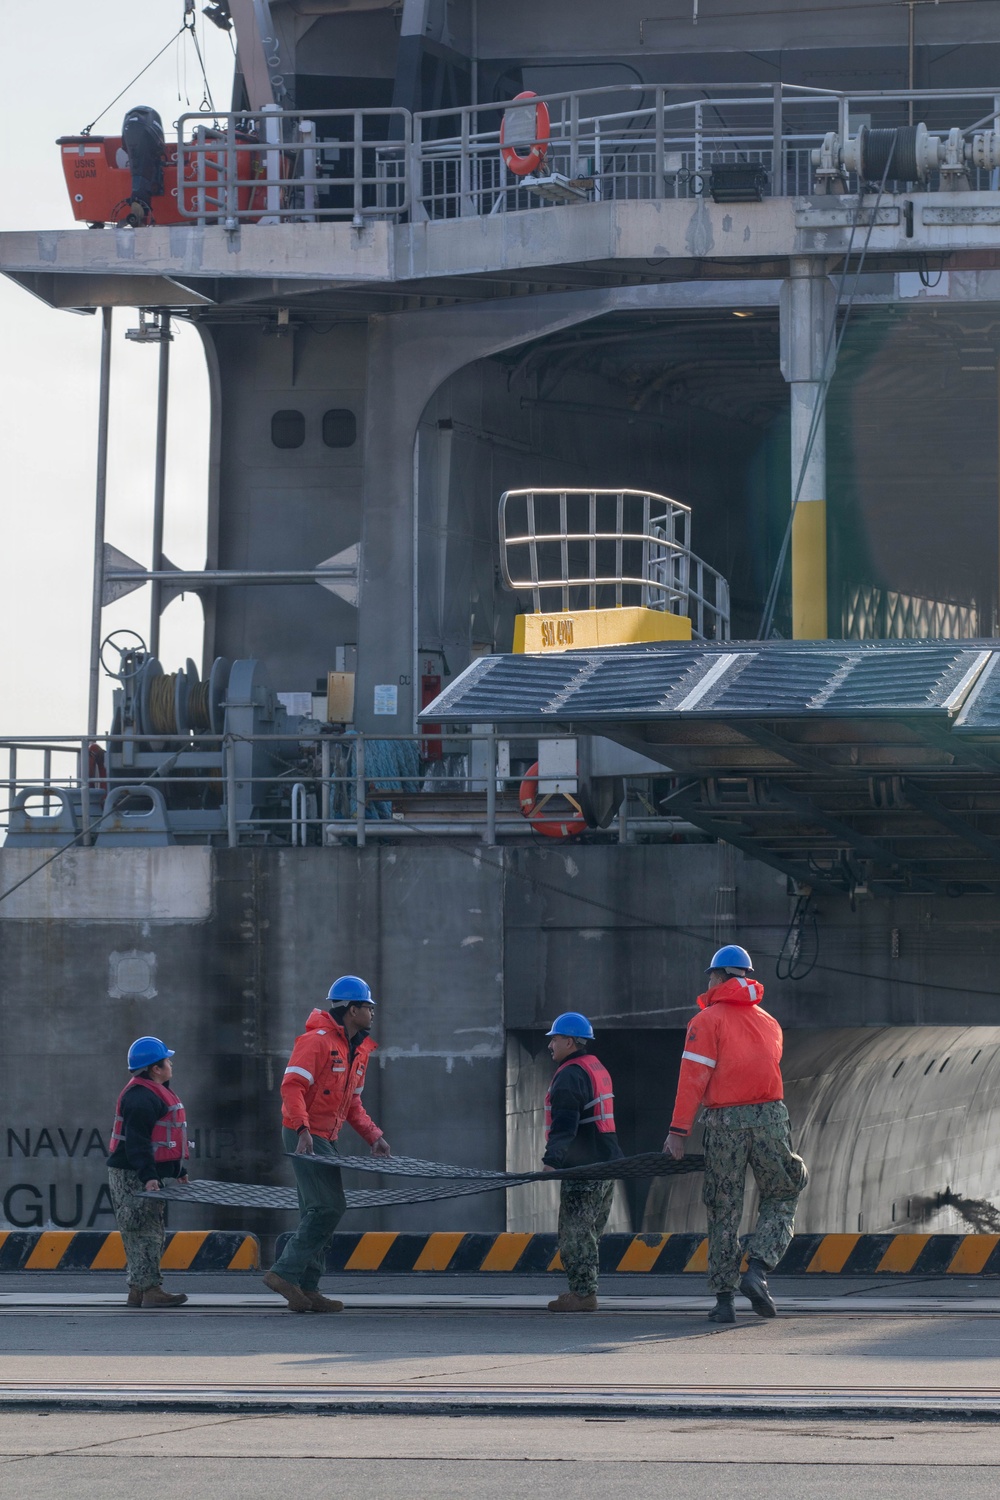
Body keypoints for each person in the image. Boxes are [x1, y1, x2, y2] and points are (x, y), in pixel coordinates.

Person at [662, 945, 808, 1324]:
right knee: (782, 1193)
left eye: (711, 975)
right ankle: (758, 1270)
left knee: (723, 1209)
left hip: (724, 1122)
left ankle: (724, 1302)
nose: (708, 981)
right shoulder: (770, 1023)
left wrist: (678, 1131)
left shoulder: (706, 1021)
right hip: (770, 1118)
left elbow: (692, 1079)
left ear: (721, 976)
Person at [264, 974, 391, 1312]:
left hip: (323, 1136)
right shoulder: (316, 1042)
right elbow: (291, 1088)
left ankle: (308, 1288)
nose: (372, 1012)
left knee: (316, 1210)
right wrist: (302, 1130)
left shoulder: (357, 1050)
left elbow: (352, 1104)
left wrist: (372, 1135)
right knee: (329, 1207)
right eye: (368, 1006)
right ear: (352, 1010)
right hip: (304, 1133)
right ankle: (284, 1273)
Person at [542, 1011, 623, 1313]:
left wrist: (551, 1162)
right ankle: (584, 1289)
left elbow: (565, 1124)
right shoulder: (594, 1067)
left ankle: (583, 1293)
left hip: (583, 1168)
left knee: (575, 1233)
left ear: (570, 1041)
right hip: (605, 1165)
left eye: (555, 1039)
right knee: (590, 1232)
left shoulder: (570, 1075)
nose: (550, 1044)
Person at [107, 1036, 190, 1309]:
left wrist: (178, 1170)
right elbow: (138, 1143)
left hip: (144, 1172)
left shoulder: (151, 1093)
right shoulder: (140, 1098)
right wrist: (149, 1177)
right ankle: (150, 1289)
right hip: (133, 1175)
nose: (171, 1064)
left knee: (145, 1230)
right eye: (167, 1060)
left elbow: (164, 1140)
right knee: (143, 1232)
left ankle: (139, 1290)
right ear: (156, 1068)